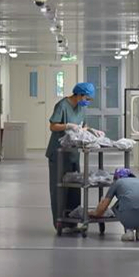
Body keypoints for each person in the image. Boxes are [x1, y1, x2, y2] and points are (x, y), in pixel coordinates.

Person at [46, 82, 103, 234]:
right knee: (60, 189)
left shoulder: (81, 107)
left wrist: (92, 130)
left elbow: (83, 126)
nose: (87, 102)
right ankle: (60, 222)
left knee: (74, 188)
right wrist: (68, 126)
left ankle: (73, 222)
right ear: (79, 94)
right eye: (87, 98)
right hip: (59, 153)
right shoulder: (62, 105)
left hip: (73, 153)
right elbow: (53, 126)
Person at [90, 168, 139, 242]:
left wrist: (92, 213)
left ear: (117, 177)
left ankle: (129, 231)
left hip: (129, 214)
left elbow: (102, 209)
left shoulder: (118, 182)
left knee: (117, 206)